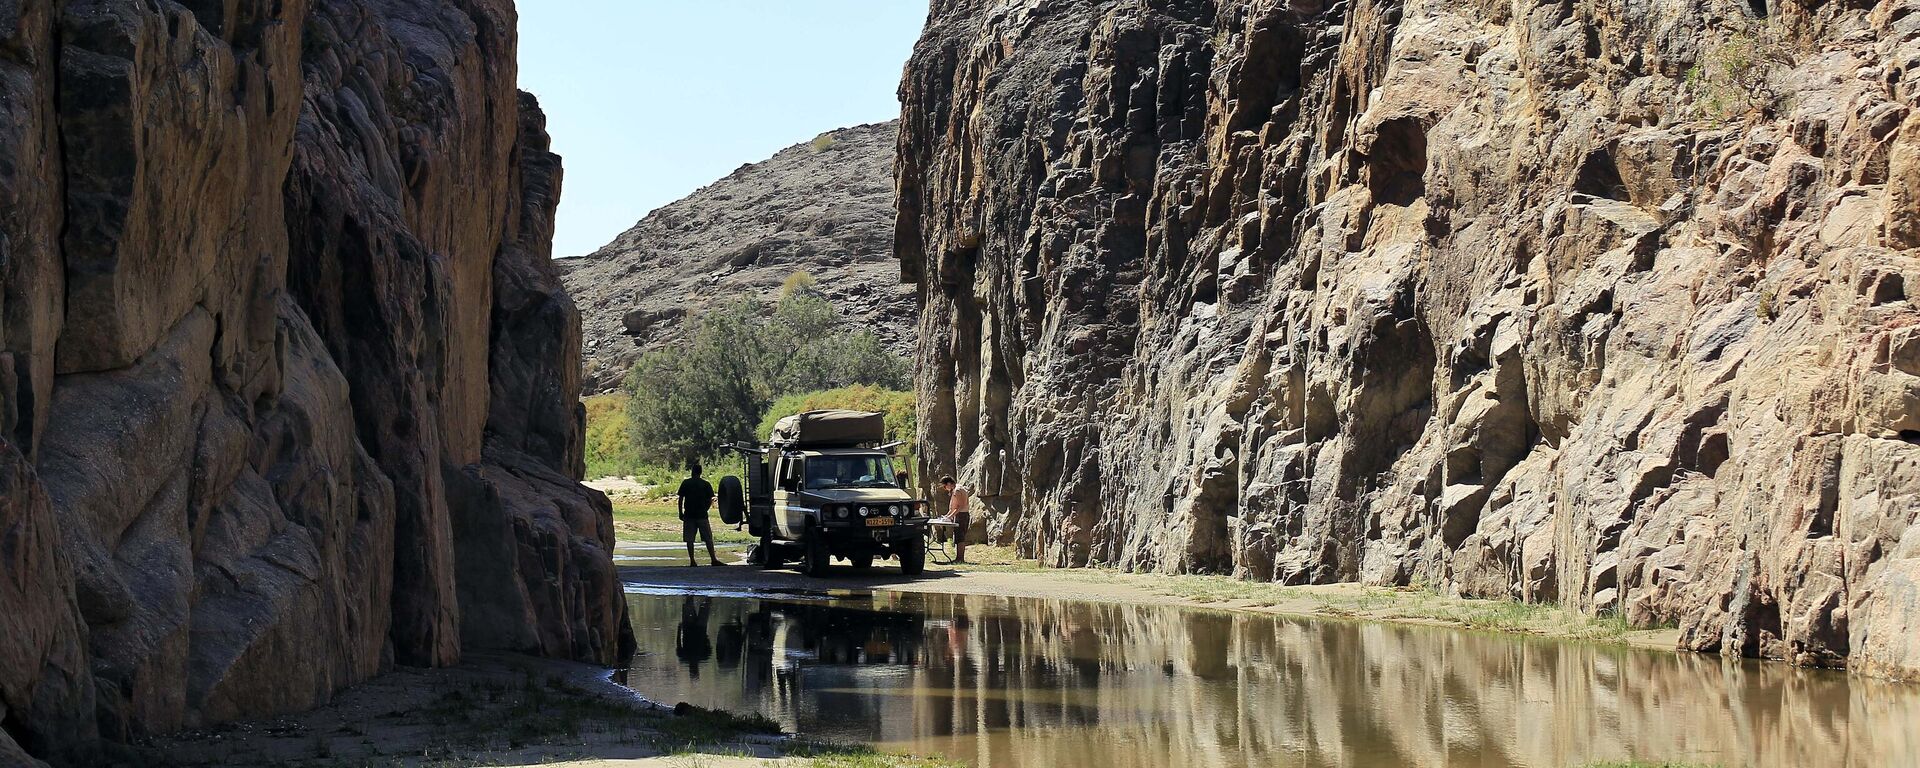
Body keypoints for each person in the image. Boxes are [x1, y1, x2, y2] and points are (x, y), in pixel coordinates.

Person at [678, 463, 721, 566]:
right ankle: (713, 559)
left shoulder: (686, 483)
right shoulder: (705, 484)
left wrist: (680, 512)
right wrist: (705, 509)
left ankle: (692, 561)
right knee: (708, 538)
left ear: (692, 471)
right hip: (702, 515)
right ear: (701, 472)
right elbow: (711, 499)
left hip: (689, 515)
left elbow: (680, 499)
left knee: (690, 539)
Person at [936, 475, 970, 565]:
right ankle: (958, 557)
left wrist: (950, 516)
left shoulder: (958, 490)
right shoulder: (955, 490)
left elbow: (960, 506)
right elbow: (953, 507)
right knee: (958, 537)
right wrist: (947, 516)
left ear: (949, 484)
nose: (945, 488)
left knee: (960, 537)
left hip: (962, 515)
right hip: (959, 515)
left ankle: (960, 558)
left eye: (945, 486)